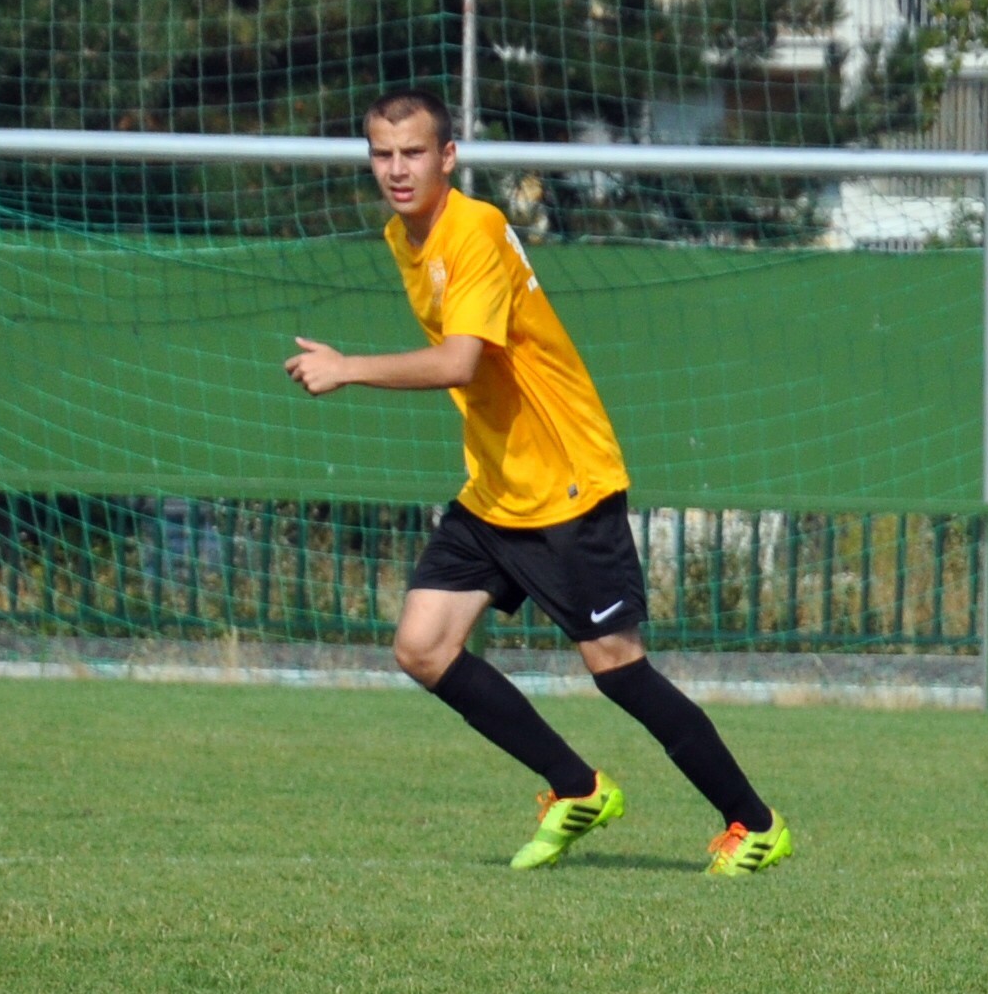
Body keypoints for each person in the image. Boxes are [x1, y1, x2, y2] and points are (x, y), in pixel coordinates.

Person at [287, 86, 790, 875]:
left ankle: (754, 823)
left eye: (413, 152)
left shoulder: (476, 229)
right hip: (496, 486)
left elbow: (460, 361)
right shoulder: (402, 235)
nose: (397, 169)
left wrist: (349, 368)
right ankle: (577, 788)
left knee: (616, 667)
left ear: (448, 156)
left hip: (565, 481)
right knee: (422, 646)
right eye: (383, 154)